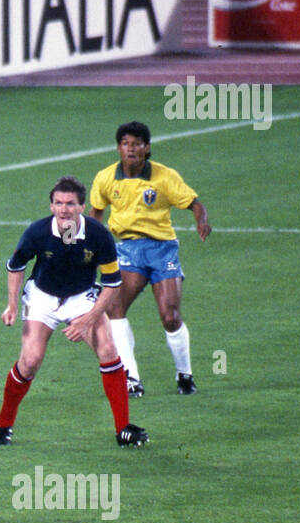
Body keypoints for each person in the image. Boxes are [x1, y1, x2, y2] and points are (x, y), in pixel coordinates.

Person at [0, 176, 147, 448]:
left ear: (82, 206)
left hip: (82, 297)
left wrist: (88, 319)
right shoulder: (37, 232)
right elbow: (16, 266)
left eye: (70, 204)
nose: (64, 209)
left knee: (108, 350)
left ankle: (123, 428)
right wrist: (12, 304)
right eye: (58, 203)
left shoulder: (98, 236)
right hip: (42, 296)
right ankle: (3, 426)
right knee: (30, 361)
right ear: (51, 206)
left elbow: (111, 284)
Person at [89, 122, 211, 397]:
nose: (131, 149)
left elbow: (194, 203)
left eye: (137, 144)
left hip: (162, 249)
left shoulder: (164, 177)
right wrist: (91, 247)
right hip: (128, 250)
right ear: (119, 148)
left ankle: (185, 373)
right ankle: (131, 378)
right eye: (126, 144)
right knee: (115, 310)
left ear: (147, 148)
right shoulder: (106, 178)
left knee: (169, 316)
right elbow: (95, 214)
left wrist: (201, 221)